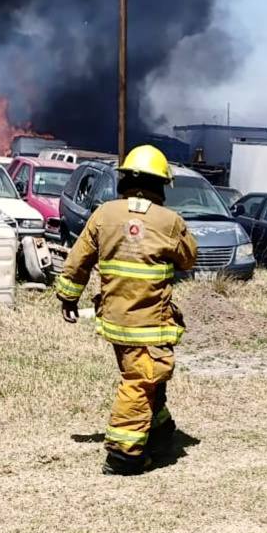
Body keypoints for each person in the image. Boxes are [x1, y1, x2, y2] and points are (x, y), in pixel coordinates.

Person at [56, 144, 198, 475]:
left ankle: (160, 432)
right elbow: (189, 258)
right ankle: (124, 454)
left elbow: (78, 261)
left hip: (115, 322)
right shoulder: (170, 222)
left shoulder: (104, 215)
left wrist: (68, 297)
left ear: (124, 180)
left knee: (146, 377)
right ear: (161, 184)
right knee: (141, 379)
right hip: (148, 324)